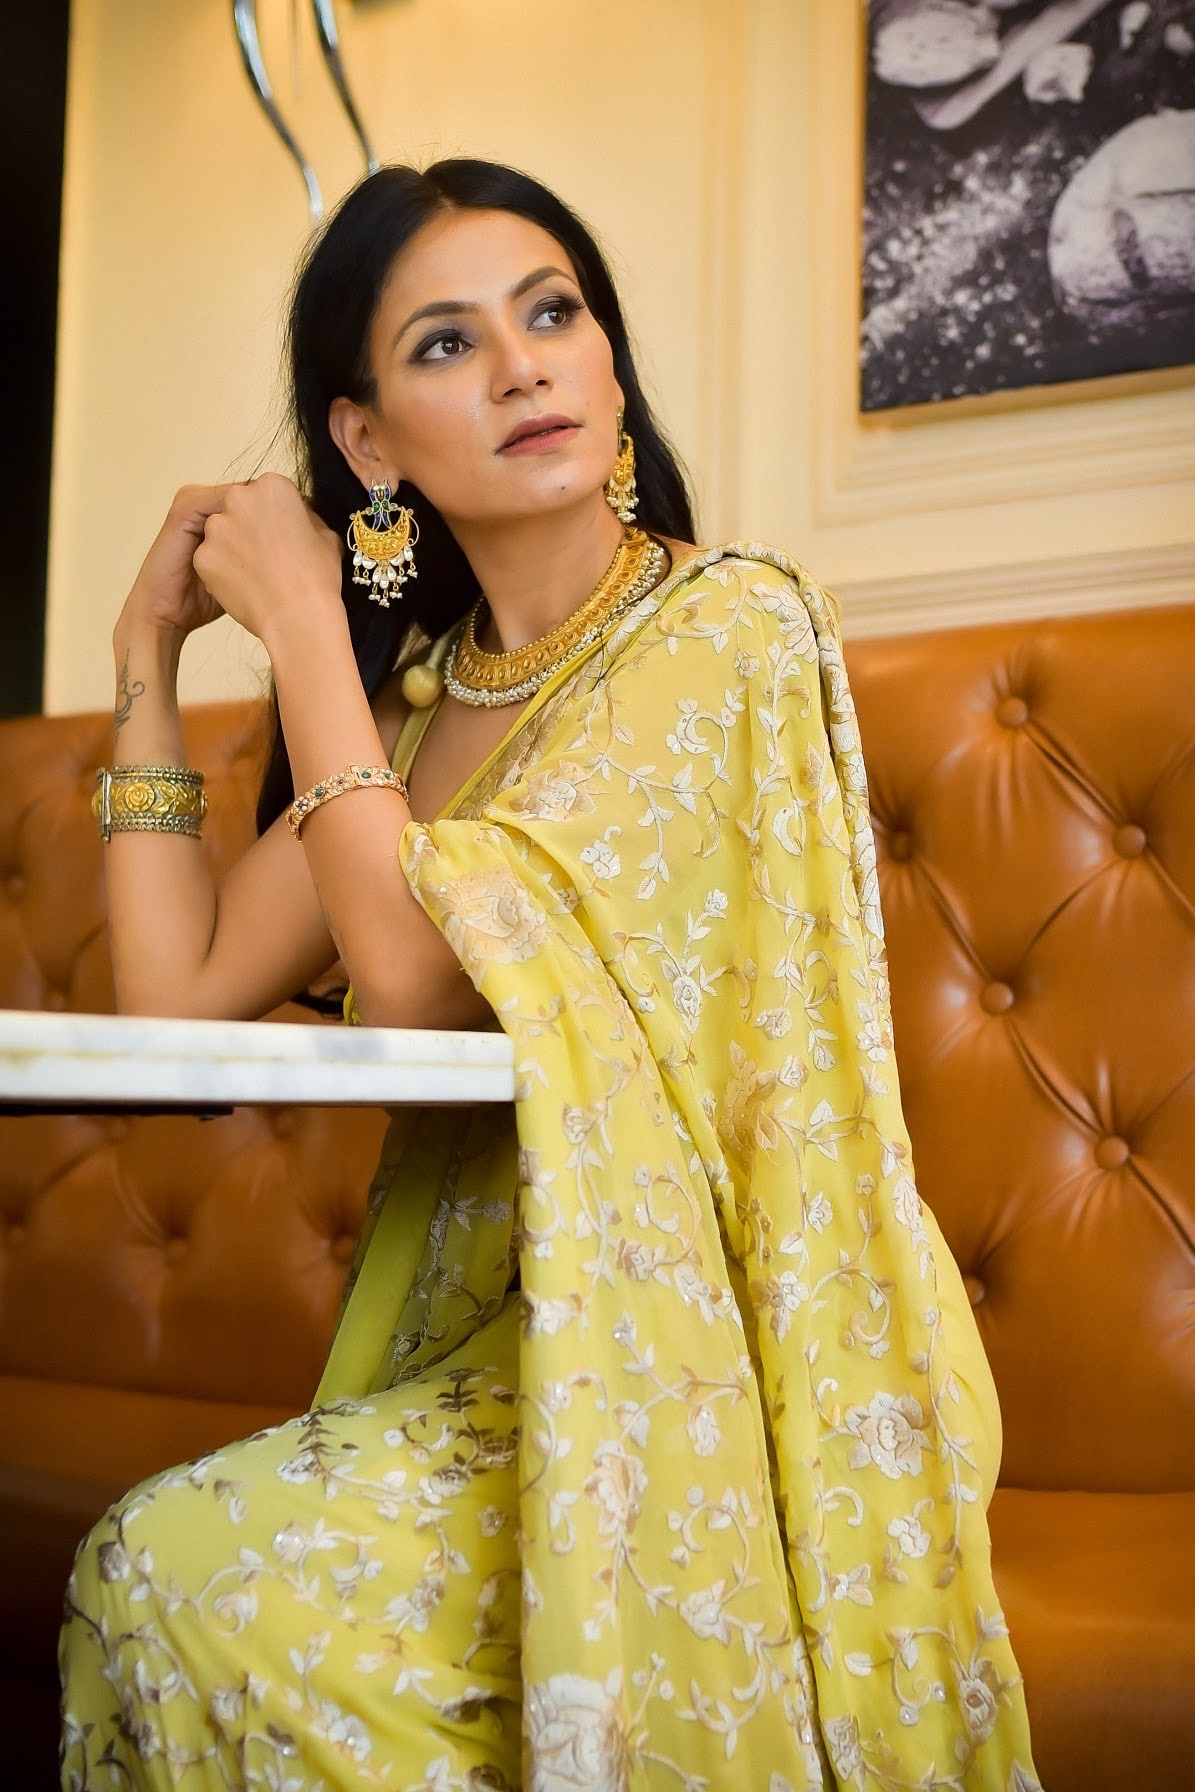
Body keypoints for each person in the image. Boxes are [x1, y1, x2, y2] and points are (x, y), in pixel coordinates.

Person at [60, 160, 1040, 1791]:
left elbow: (415, 976)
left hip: (741, 1350)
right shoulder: (420, 714)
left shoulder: (727, 628)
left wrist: (303, 622)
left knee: (174, 1573)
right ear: (367, 441)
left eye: (554, 313)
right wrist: (144, 667)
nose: (523, 366)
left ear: (607, 360)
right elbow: (175, 1018)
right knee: (168, 1574)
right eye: (447, 343)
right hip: (515, 1354)